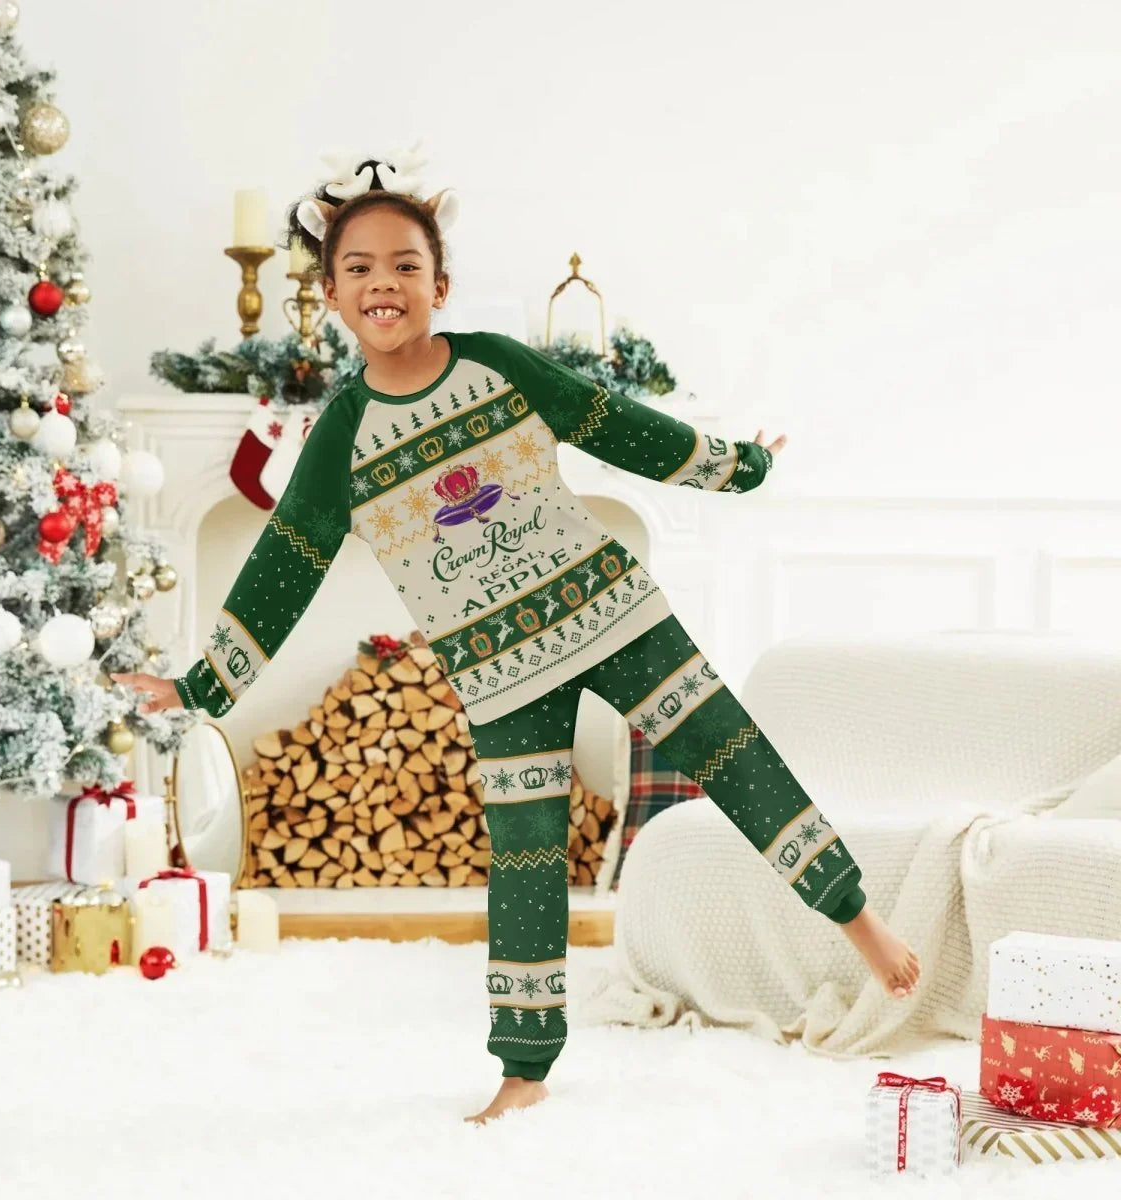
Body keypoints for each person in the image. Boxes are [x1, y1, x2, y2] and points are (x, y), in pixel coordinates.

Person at [112, 146, 920, 1127]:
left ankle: (860, 921)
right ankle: (525, 1067)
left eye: (406, 265)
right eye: (360, 267)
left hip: (614, 614)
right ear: (330, 293)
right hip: (498, 676)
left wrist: (737, 467)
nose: (384, 283)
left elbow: (618, 425)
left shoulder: (497, 363)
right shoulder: (340, 436)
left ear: (439, 284)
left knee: (735, 756)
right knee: (527, 858)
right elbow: (282, 574)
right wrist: (198, 691)